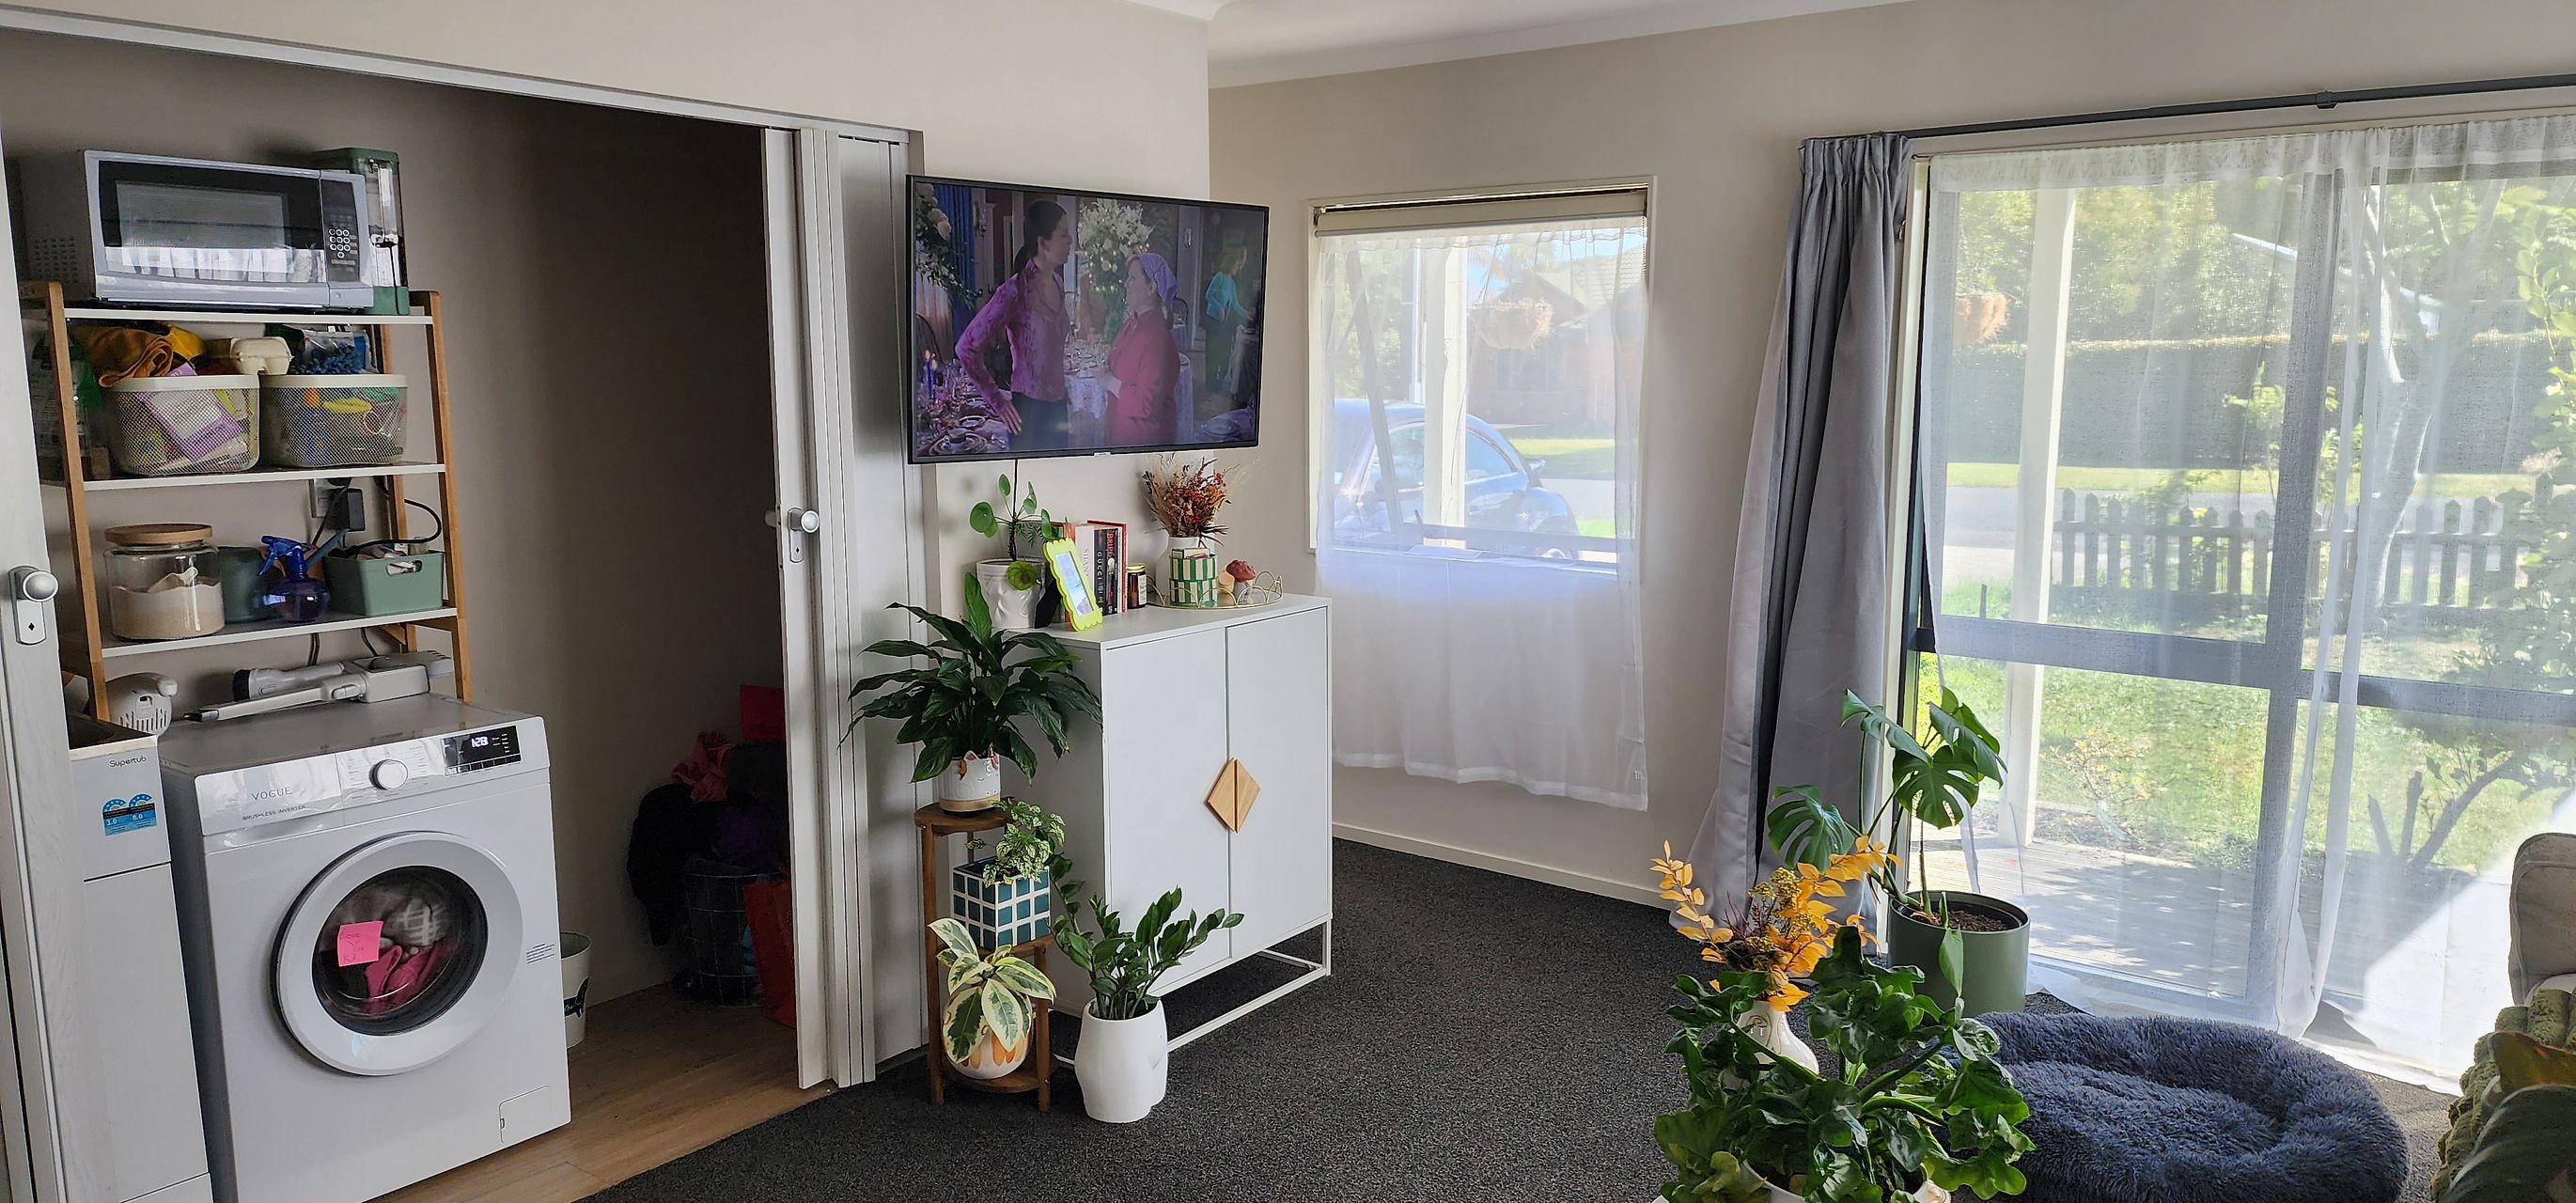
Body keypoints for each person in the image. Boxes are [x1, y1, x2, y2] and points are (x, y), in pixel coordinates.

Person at [955, 199, 1073, 451]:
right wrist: (998, 401)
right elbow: (966, 347)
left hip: (1058, 407)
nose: (1070, 241)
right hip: (1027, 412)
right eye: (1063, 234)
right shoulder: (1015, 291)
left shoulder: (1058, 283)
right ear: (1043, 243)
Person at [1103, 252, 1183, 446]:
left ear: (1151, 288)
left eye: (1133, 277)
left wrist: (1110, 382)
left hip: (1142, 441)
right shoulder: (1132, 323)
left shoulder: (1157, 337)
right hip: (1121, 432)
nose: (1126, 284)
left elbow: (1146, 403)